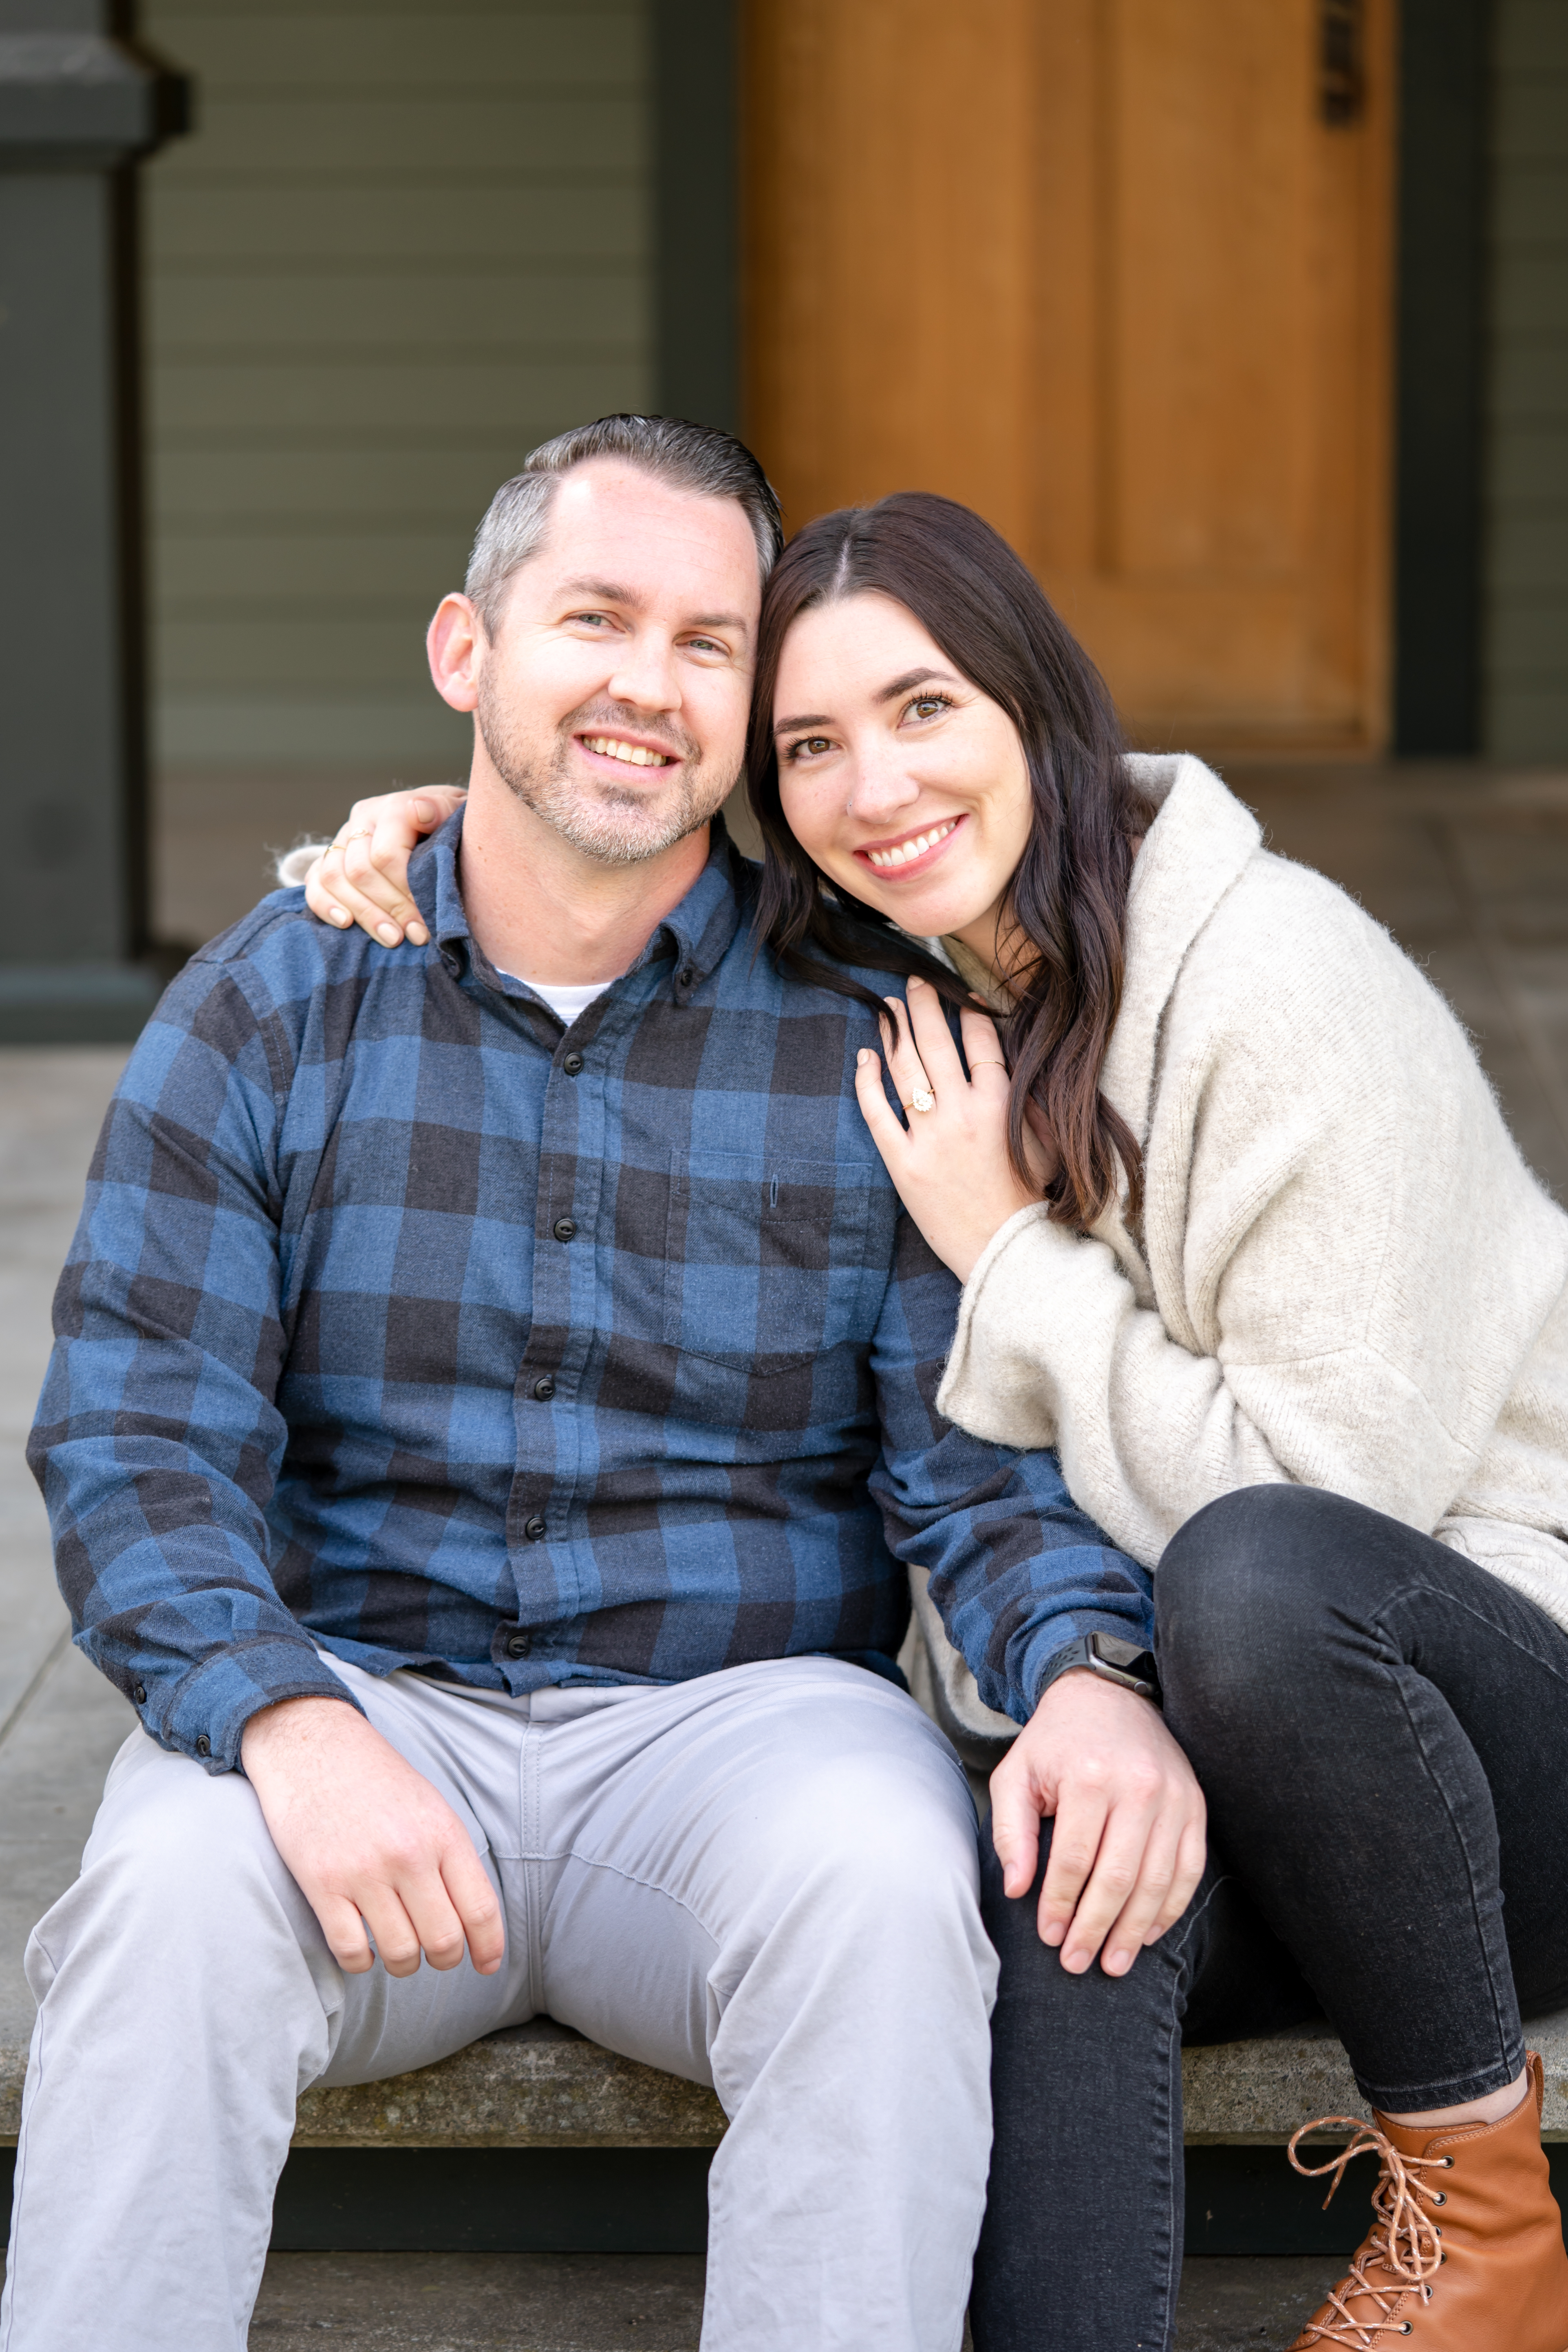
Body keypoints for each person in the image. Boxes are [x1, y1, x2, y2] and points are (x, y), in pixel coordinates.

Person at [317, 488, 1568, 2352]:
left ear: (1031, 708)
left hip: (1475, 1769)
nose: (872, 785)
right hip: (1203, 1763)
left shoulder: (1275, 985)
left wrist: (1005, 1258)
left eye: (921, 711)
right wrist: (428, 833)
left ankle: (1477, 2215)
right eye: (807, 745)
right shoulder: (908, 997)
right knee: (1045, 1875)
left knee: (1245, 1571)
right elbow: (598, 865)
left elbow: (1326, 1522)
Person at [8, 424, 1154, 2352]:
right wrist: (283, 1721)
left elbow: (978, 1469)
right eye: (593, 617)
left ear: (747, 712)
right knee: (165, 1905)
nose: (645, 682)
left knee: (887, 1887)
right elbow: (138, 1433)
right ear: (468, 650)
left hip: (735, 1738)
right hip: (359, 1705)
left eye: (708, 645)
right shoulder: (272, 1007)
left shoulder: (872, 1039)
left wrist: (1090, 1681)